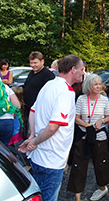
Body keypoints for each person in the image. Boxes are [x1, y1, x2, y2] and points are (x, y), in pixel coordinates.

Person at [19, 54, 85, 201]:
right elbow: (53, 127)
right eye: (82, 69)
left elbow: (33, 111)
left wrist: (32, 136)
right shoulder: (66, 92)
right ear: (73, 69)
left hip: (39, 157)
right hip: (51, 160)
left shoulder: (49, 84)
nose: (83, 73)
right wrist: (34, 141)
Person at [67, 74, 109, 201]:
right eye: (95, 84)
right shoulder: (81, 99)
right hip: (83, 135)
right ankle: (78, 195)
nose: (99, 87)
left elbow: (108, 116)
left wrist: (101, 121)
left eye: (100, 84)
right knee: (78, 165)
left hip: (100, 135)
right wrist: (87, 125)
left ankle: (102, 187)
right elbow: (76, 118)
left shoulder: (104, 99)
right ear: (88, 85)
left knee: (101, 163)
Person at [23, 51, 55, 137]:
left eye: (35, 63)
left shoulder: (48, 76)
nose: (33, 65)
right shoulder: (31, 73)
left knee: (35, 134)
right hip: (29, 109)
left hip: (40, 112)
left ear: (42, 62)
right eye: (31, 63)